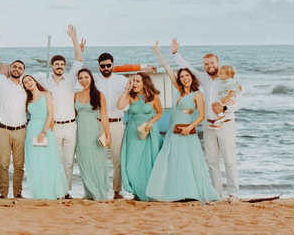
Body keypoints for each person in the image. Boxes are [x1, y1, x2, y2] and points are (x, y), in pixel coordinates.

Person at [170, 39, 240, 201]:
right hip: (208, 126)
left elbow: (237, 98)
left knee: (229, 160)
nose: (209, 66)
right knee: (211, 162)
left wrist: (224, 109)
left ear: (218, 63)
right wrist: (175, 53)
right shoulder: (203, 78)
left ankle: (234, 194)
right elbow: (187, 67)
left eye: (212, 63)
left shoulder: (227, 79)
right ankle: (216, 194)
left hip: (225, 125)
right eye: (206, 64)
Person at [146, 67, 219, 202]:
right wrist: (159, 54)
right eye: (182, 77)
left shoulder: (197, 95)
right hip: (172, 133)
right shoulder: (179, 91)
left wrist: (190, 127)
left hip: (187, 133)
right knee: (171, 161)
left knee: (188, 162)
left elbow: (201, 116)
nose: (185, 78)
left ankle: (190, 193)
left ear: (191, 77)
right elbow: (169, 72)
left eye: (187, 76)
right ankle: (175, 192)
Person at [40, 26, 84, 193]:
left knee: (69, 162)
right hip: (55, 126)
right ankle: (56, 189)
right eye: (56, 64)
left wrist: (74, 38)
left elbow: (79, 60)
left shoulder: (71, 79)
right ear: (52, 66)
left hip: (71, 126)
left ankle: (66, 192)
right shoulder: (45, 82)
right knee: (56, 160)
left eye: (62, 64)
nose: (59, 66)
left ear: (65, 66)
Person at [0, 26, 28, 198]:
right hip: (3, 129)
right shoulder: (1, 82)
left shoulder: (26, 87)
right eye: (15, 66)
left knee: (19, 165)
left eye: (20, 68)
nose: (17, 69)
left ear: (23, 72)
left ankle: (18, 194)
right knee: (3, 164)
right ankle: (3, 194)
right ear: (10, 68)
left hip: (21, 130)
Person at [116, 70, 164, 201]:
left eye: (137, 81)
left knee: (148, 162)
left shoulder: (153, 97)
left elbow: (160, 113)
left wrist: (151, 123)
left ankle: (147, 191)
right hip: (132, 132)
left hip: (149, 132)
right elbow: (119, 106)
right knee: (131, 162)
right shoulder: (131, 96)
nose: (134, 83)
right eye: (132, 81)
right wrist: (126, 90)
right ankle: (134, 190)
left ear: (144, 83)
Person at [20, 75, 68, 199]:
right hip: (32, 130)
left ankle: (52, 192)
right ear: (24, 86)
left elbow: (50, 115)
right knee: (35, 162)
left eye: (30, 80)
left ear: (34, 81)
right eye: (25, 82)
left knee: (49, 161)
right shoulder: (27, 100)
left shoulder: (46, 94)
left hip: (44, 129)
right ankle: (40, 193)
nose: (28, 83)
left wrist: (43, 132)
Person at [72, 68, 112, 200]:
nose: (83, 80)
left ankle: (99, 192)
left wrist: (107, 134)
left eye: (86, 77)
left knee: (97, 162)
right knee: (84, 161)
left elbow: (104, 116)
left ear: (91, 78)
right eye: (80, 78)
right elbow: (74, 115)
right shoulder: (76, 95)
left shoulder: (99, 95)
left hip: (94, 130)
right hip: (80, 131)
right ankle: (89, 192)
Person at [94, 50, 130, 198]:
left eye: (108, 65)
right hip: (98, 124)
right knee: (98, 159)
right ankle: (99, 190)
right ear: (99, 67)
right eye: (103, 66)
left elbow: (130, 97)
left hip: (116, 124)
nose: (106, 68)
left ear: (113, 65)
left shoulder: (122, 80)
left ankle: (117, 191)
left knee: (118, 160)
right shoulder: (94, 80)